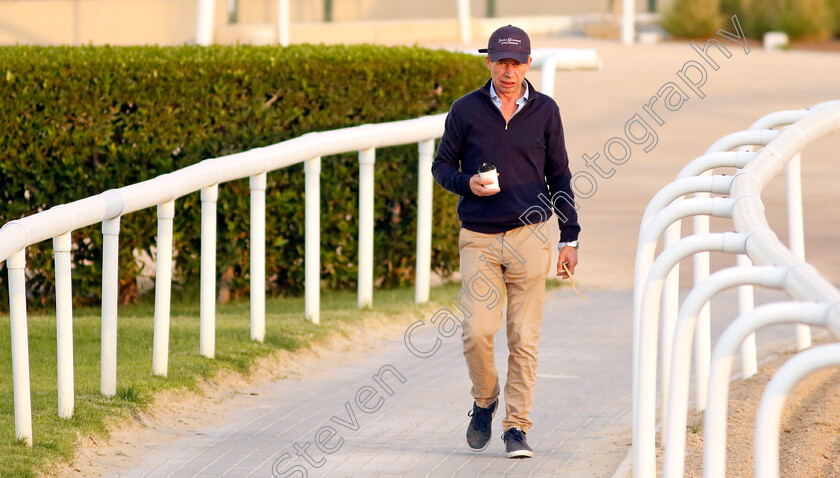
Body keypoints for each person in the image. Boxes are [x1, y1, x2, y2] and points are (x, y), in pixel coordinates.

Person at [431, 25, 580, 459]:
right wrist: (466, 183)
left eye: (516, 63)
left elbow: (561, 177)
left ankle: (517, 427)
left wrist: (570, 238)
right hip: (478, 238)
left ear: (528, 64)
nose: (508, 71)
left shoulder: (546, 111)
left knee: (523, 337)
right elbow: (442, 167)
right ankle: (485, 399)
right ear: (489, 62)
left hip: (530, 237)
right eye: (501, 62)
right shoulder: (465, 110)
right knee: (476, 331)